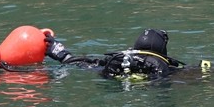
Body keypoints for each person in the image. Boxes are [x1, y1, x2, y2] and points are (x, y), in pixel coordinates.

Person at [45, 28, 185, 79]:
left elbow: (87, 64)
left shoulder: (122, 59)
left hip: (113, 76)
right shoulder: (170, 70)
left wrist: (62, 54)